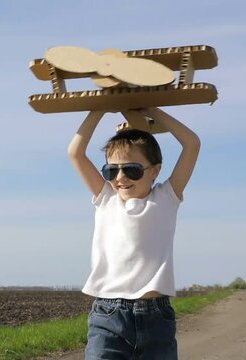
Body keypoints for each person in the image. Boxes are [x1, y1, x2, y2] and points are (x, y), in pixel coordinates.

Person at [67, 107, 201, 359]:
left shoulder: (166, 197)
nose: (120, 178)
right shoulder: (105, 197)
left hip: (156, 316)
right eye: (111, 170)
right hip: (108, 315)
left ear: (154, 170)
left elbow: (192, 143)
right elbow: (75, 153)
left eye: (131, 169)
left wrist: (152, 108)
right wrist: (99, 109)